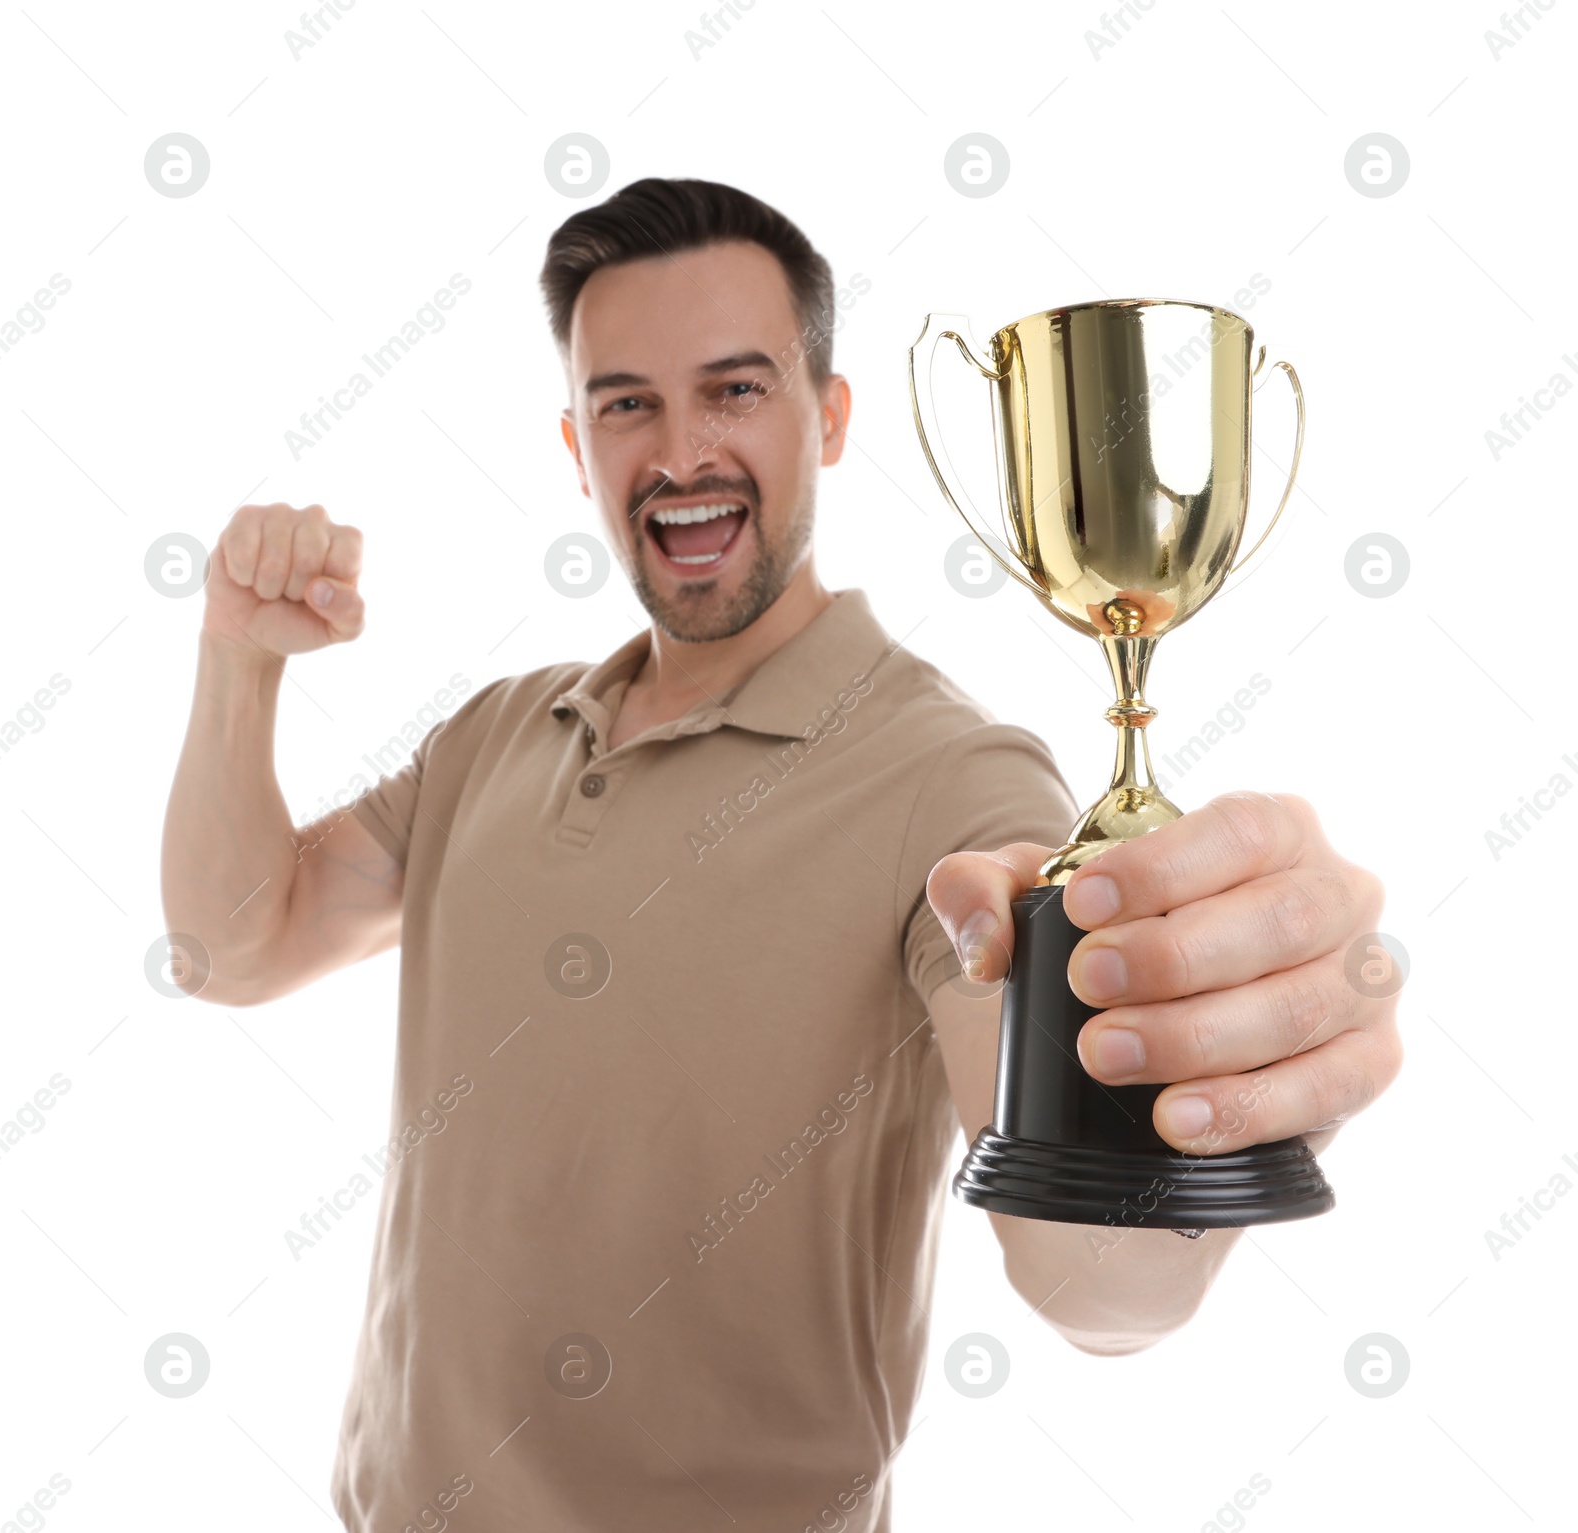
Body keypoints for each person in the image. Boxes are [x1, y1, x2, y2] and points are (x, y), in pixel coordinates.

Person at [161, 177, 1402, 1532]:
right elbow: (236, 942)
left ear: (831, 417)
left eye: (736, 390)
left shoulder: (956, 779)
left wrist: (1218, 1108)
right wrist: (238, 661)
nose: (681, 450)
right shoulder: (496, 735)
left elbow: (1102, 1292)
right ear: (578, 446)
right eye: (629, 402)